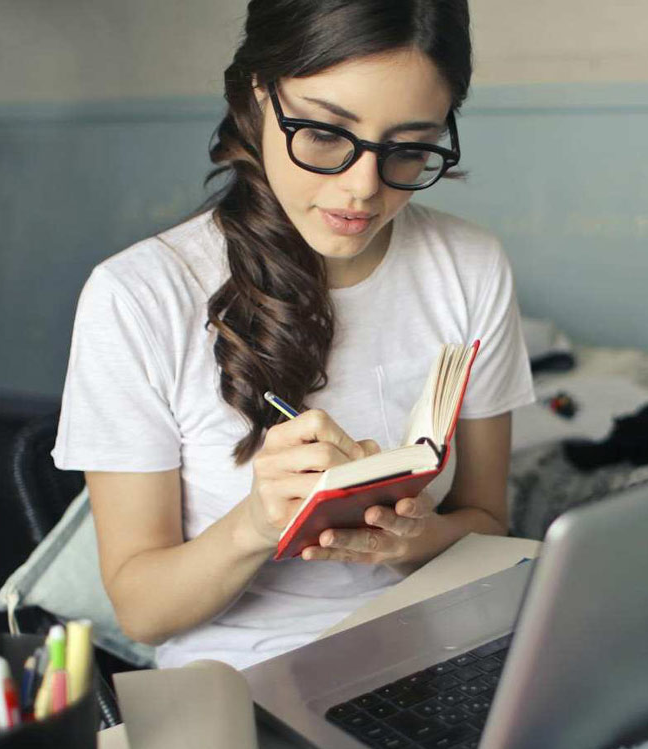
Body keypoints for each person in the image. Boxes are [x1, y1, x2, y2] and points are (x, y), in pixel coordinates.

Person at [53, 0, 534, 670]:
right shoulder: (138, 296)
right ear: (259, 94)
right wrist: (257, 524)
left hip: (434, 654)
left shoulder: (470, 265)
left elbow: (486, 520)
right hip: (244, 678)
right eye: (325, 135)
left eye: (408, 148)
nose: (362, 189)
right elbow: (143, 611)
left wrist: (410, 540)